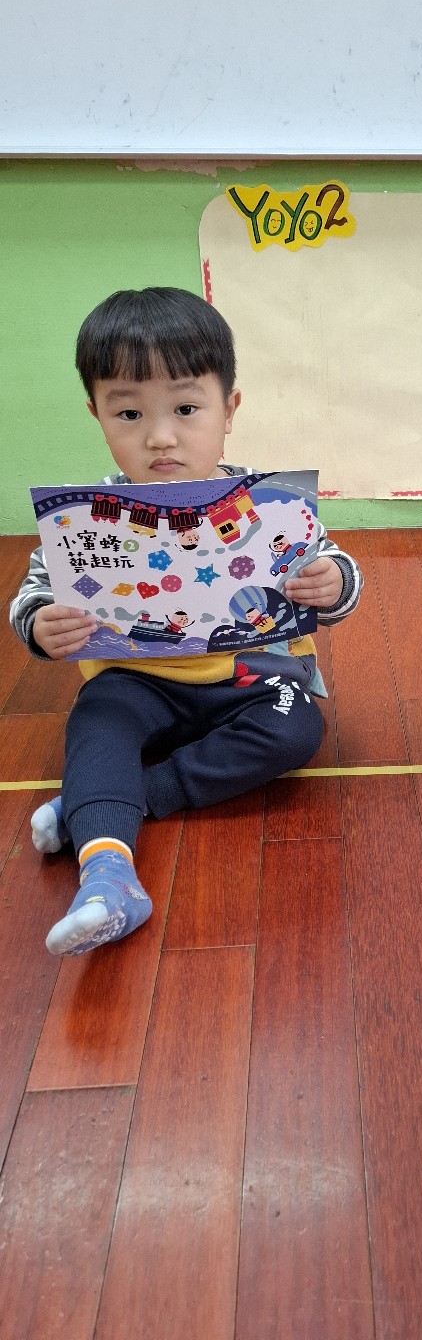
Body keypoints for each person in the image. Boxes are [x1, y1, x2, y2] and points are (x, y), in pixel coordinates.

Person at [10, 287, 363, 954]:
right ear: (97, 415)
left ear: (229, 409)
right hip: (136, 681)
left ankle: (118, 795)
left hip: (249, 678)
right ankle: (108, 880)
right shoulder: (88, 516)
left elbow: (334, 571)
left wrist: (333, 582)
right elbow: (34, 590)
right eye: (129, 412)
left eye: (186, 408)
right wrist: (38, 625)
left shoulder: (269, 503)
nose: (160, 436)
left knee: (296, 729)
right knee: (97, 719)